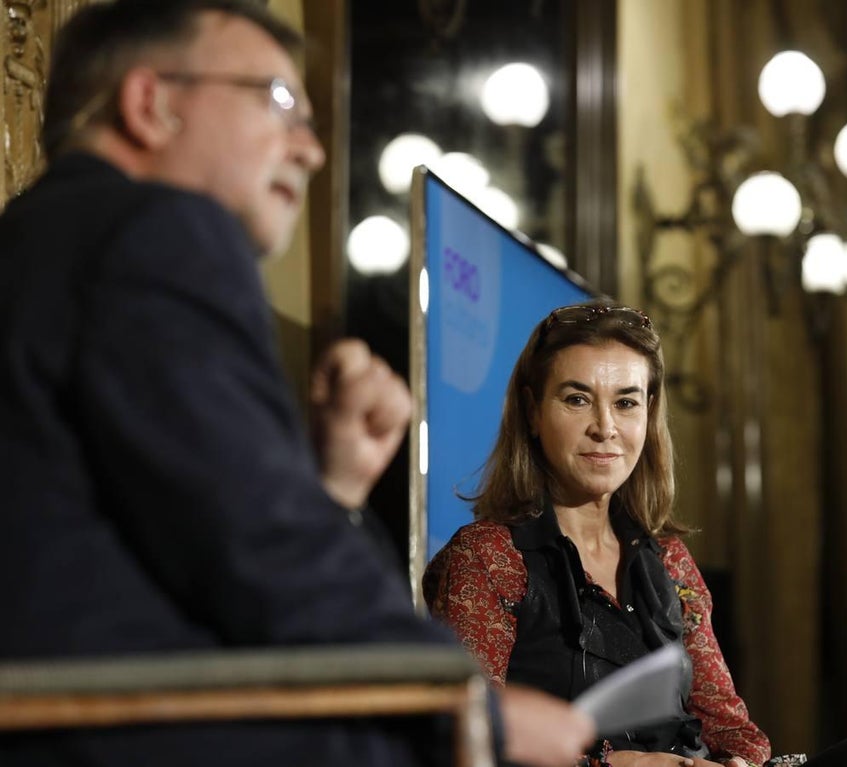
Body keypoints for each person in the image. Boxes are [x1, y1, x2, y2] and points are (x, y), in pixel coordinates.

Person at [0, 1, 592, 766]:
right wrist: (472, 707)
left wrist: (330, 484)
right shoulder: (155, 232)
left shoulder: (38, 242)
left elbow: (174, 521)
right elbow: (266, 553)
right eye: (277, 100)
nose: (311, 150)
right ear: (152, 104)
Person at [423, 301, 847, 767]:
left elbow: (732, 729)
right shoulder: (488, 555)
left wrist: (738, 763)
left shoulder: (669, 559)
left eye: (625, 403)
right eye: (577, 399)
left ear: (648, 413)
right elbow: (467, 737)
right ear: (533, 412)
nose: (605, 427)